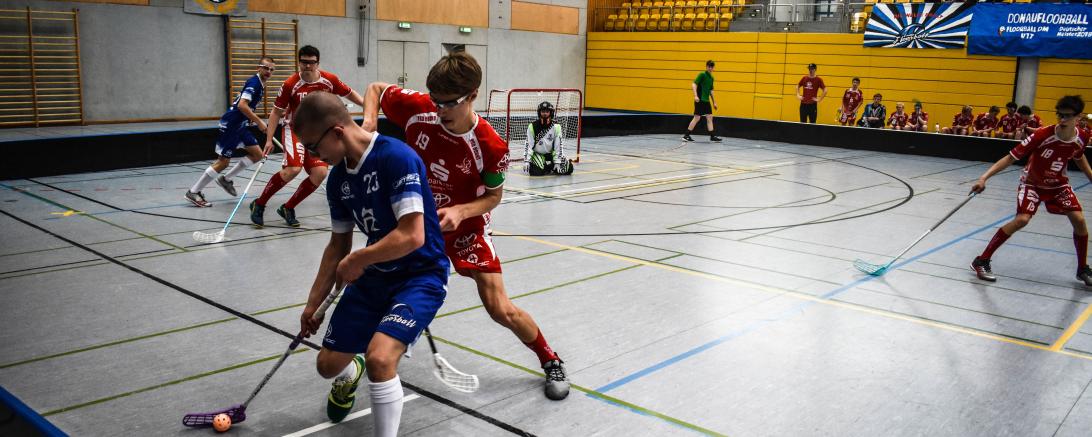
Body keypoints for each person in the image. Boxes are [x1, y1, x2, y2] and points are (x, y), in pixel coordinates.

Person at [361, 52, 570, 400]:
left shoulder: (490, 146)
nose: (440, 110)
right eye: (436, 101)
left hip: (466, 230)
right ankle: (357, 361)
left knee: (499, 307)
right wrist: (370, 122)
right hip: (416, 225)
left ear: (472, 95)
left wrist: (460, 212)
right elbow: (375, 89)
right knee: (378, 291)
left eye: (449, 103)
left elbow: (493, 197)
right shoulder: (419, 108)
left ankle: (550, 360)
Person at [294, 91, 450, 436]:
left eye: (313, 147)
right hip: (375, 275)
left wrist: (360, 258)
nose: (313, 156)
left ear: (337, 132)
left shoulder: (396, 157)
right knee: (327, 365)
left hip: (420, 275)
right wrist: (312, 303)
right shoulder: (337, 181)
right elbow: (338, 246)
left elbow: (412, 236)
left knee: (381, 358)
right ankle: (353, 367)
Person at [970, 95, 1092, 287]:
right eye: (1059, 115)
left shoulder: (1083, 136)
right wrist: (984, 178)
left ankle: (1083, 269)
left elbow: (1078, 155)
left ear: (1079, 117)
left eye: (1067, 116)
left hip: (1058, 185)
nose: (1062, 120)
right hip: (1032, 183)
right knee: (1022, 220)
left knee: (1079, 219)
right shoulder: (1043, 135)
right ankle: (981, 261)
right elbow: (1010, 158)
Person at [249, 45, 367, 228]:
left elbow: (350, 94)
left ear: (317, 63)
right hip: (294, 130)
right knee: (293, 169)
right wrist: (269, 139)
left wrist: (368, 107)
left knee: (320, 173)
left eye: (312, 63)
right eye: (304, 62)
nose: (308, 66)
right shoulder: (290, 84)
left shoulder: (329, 80)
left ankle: (288, 207)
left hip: (319, 132)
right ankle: (259, 203)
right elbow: (275, 113)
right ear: (299, 62)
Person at [185, 57, 275, 207]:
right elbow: (242, 105)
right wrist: (259, 121)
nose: (269, 72)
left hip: (241, 125)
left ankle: (225, 180)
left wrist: (249, 118)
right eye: (266, 68)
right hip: (232, 125)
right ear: (258, 68)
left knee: (257, 154)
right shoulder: (254, 83)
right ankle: (194, 191)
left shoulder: (260, 83)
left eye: (272, 69)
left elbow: (246, 107)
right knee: (223, 162)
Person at [525, 101, 574, 176]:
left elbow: (559, 145)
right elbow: (528, 145)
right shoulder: (532, 126)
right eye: (543, 111)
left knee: (569, 168)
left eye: (547, 111)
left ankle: (550, 166)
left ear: (551, 113)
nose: (545, 113)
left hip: (551, 153)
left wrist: (557, 162)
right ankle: (545, 165)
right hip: (538, 153)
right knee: (537, 172)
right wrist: (527, 161)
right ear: (539, 113)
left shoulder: (556, 126)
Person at [683, 60, 721, 142]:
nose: (710, 68)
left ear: (713, 68)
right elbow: (694, 84)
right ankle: (686, 135)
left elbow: (711, 91)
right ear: (706, 67)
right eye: (709, 66)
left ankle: (712, 136)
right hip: (699, 99)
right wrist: (695, 95)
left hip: (706, 101)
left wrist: (714, 102)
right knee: (697, 118)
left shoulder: (711, 78)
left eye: (712, 67)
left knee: (710, 117)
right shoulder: (702, 75)